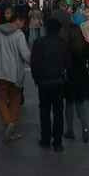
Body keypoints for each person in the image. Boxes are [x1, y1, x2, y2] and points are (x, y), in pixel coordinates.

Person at [29, 17, 69, 152]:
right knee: (58, 112)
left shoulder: (39, 43)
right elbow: (67, 63)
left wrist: (36, 79)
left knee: (44, 111)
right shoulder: (63, 43)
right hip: (59, 81)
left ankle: (45, 139)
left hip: (44, 82)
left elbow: (34, 62)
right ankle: (57, 142)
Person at [0, 6, 31, 143]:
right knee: (15, 101)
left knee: (1, 99)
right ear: (18, 21)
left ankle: (8, 124)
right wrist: (36, 64)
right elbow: (26, 55)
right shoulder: (18, 34)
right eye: (23, 22)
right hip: (15, 74)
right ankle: (12, 128)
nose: (24, 25)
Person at [63, 23, 89, 142]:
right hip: (82, 76)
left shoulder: (67, 46)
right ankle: (85, 126)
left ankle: (70, 130)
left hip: (70, 76)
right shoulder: (85, 45)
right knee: (80, 103)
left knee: (69, 104)